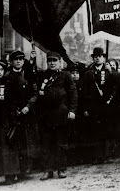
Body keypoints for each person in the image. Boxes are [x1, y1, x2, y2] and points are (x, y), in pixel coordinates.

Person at [38, 52, 77, 180]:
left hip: (61, 114)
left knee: (61, 143)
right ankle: (48, 170)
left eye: (55, 60)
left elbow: (73, 93)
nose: (52, 63)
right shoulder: (43, 75)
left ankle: (61, 169)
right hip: (46, 115)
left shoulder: (65, 75)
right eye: (50, 61)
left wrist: (72, 110)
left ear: (59, 62)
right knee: (46, 144)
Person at [5, 50, 39, 178]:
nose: (18, 61)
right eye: (16, 59)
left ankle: (26, 167)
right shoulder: (7, 76)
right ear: (11, 62)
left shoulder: (28, 74)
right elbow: (7, 97)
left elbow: (35, 94)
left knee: (28, 141)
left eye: (21, 59)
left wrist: (28, 107)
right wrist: (14, 110)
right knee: (15, 142)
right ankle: (17, 170)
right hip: (14, 114)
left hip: (27, 113)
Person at [82, 47, 117, 164]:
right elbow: (85, 91)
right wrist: (86, 108)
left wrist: (111, 71)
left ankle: (107, 155)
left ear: (104, 58)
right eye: (95, 56)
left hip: (107, 105)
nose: (97, 58)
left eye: (100, 56)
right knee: (95, 131)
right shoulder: (88, 73)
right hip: (94, 106)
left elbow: (116, 85)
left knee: (107, 130)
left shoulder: (109, 71)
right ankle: (97, 156)